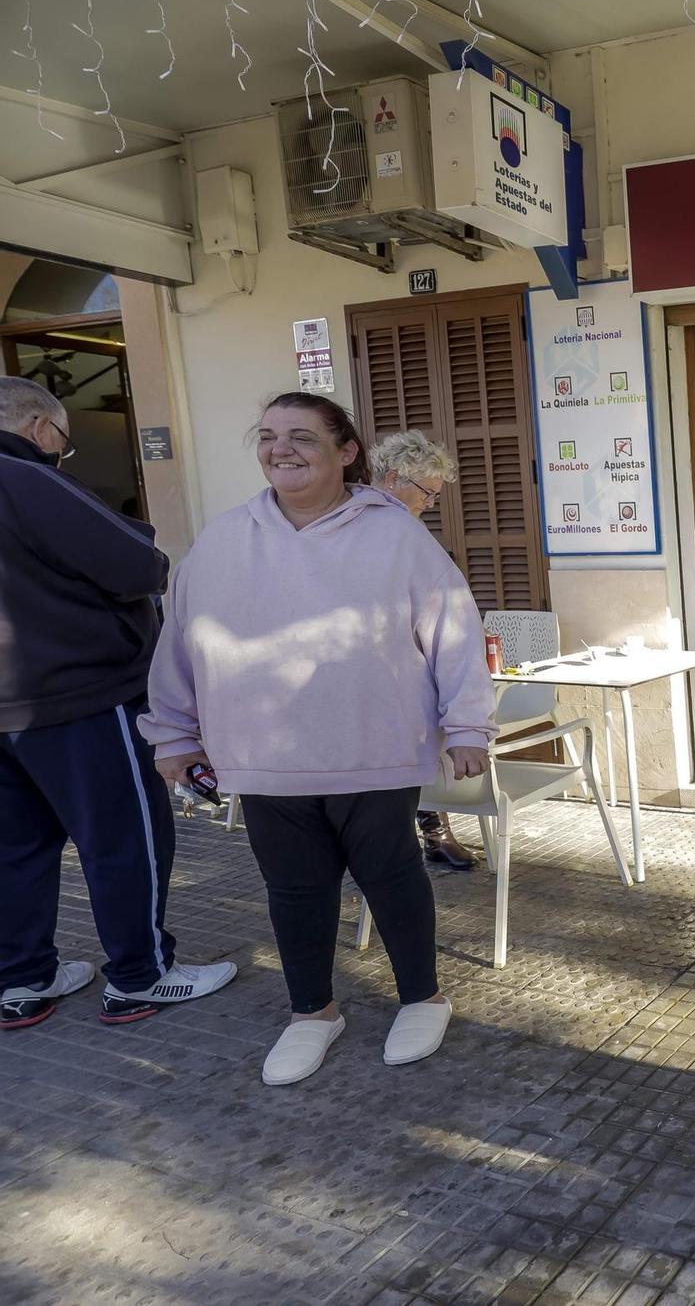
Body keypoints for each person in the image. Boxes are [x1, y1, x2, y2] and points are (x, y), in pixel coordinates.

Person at [141, 393, 495, 1086]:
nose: (282, 449)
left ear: (346, 450)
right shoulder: (223, 538)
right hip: (267, 758)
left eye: (303, 436)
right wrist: (173, 734)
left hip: (374, 747)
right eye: (269, 435)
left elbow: (452, 628)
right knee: (294, 889)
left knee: (391, 878)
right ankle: (313, 1011)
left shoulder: (395, 535)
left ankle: (423, 996)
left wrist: (467, 723)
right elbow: (181, 641)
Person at [0, 377, 238, 1029]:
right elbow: (140, 562)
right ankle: (141, 974)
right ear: (41, 430)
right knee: (124, 837)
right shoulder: (27, 478)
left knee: (16, 847)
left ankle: (23, 978)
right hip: (77, 694)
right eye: (63, 441)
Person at [369, 430, 479, 872]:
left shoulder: (404, 530)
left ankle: (434, 833)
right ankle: (421, 840)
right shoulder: (365, 521)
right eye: (427, 493)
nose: (431, 503)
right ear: (393, 478)